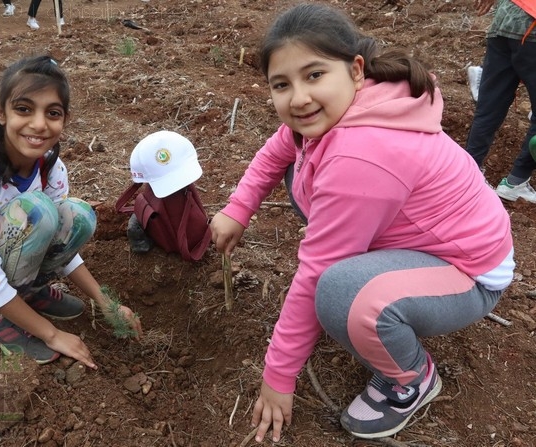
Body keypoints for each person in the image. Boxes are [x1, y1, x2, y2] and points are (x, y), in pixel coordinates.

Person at [209, 3, 514, 442]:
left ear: (355, 71)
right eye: (282, 84)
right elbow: (279, 148)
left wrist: (278, 376)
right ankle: (376, 282)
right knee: (303, 170)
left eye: (314, 75)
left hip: (470, 271)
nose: (298, 97)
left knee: (340, 292)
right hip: (428, 236)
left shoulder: (363, 153)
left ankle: (412, 380)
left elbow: (315, 275)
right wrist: (238, 207)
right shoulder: (353, 105)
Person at [0, 55, 142, 366]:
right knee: (37, 212)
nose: (38, 124)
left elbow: (60, 238)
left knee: (78, 216)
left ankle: (27, 293)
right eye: (23, 109)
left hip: (0, 262)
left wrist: (104, 301)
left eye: (52, 113)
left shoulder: (49, 165)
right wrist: (52, 334)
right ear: (1, 112)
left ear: (65, 119)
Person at [465, 0, 536, 202]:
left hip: (504, 20)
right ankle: (516, 182)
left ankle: (467, 174)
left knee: (488, 109)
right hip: (531, 28)